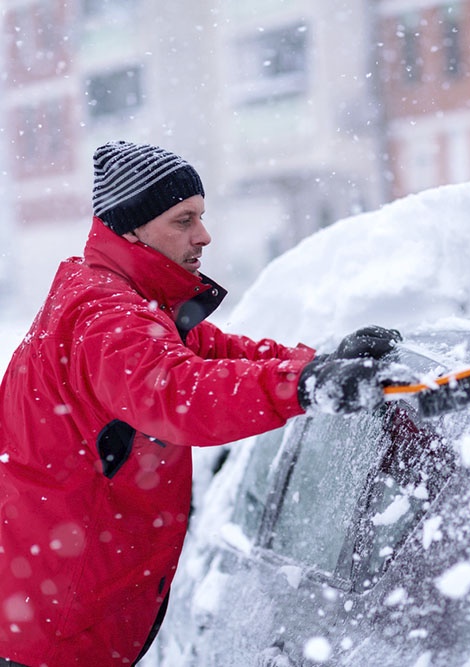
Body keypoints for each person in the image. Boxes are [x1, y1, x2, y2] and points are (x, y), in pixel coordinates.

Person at [0, 141, 402, 666]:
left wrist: (317, 363)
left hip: (50, 604)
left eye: (201, 216)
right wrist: (306, 385)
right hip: (58, 629)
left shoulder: (123, 299)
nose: (203, 235)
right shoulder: (107, 316)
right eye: (183, 220)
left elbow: (217, 353)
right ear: (132, 229)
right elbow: (178, 391)